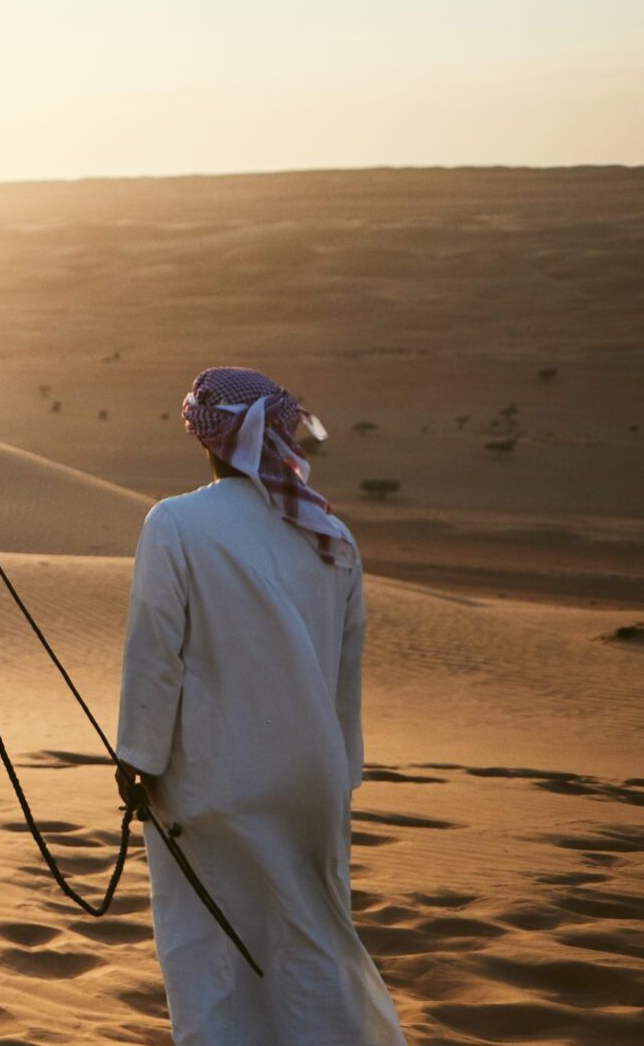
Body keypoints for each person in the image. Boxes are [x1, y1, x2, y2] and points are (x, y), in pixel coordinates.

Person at [114, 367, 406, 1045]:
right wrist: (341, 771)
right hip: (313, 786)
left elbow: (155, 651)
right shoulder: (333, 535)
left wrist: (137, 759)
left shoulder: (175, 524)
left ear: (210, 441)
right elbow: (344, 676)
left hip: (211, 785)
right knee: (313, 945)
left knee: (211, 954)